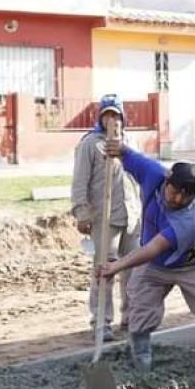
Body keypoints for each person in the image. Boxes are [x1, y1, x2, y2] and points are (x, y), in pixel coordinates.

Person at [97, 141, 195, 371]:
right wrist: (117, 149)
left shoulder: (190, 220)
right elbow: (130, 155)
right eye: (174, 192)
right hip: (154, 266)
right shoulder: (154, 174)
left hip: (191, 264)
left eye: (185, 196)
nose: (178, 199)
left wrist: (115, 266)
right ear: (167, 180)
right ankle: (142, 361)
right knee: (140, 312)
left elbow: (153, 248)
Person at [71, 94, 141, 342]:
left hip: (131, 215)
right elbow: (79, 181)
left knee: (133, 271)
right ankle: (101, 322)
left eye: (116, 115)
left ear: (123, 118)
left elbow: (139, 176)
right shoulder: (91, 144)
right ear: (100, 118)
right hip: (104, 218)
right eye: (107, 115)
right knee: (105, 271)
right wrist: (81, 212)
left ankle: (131, 317)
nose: (113, 120)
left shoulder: (130, 142)